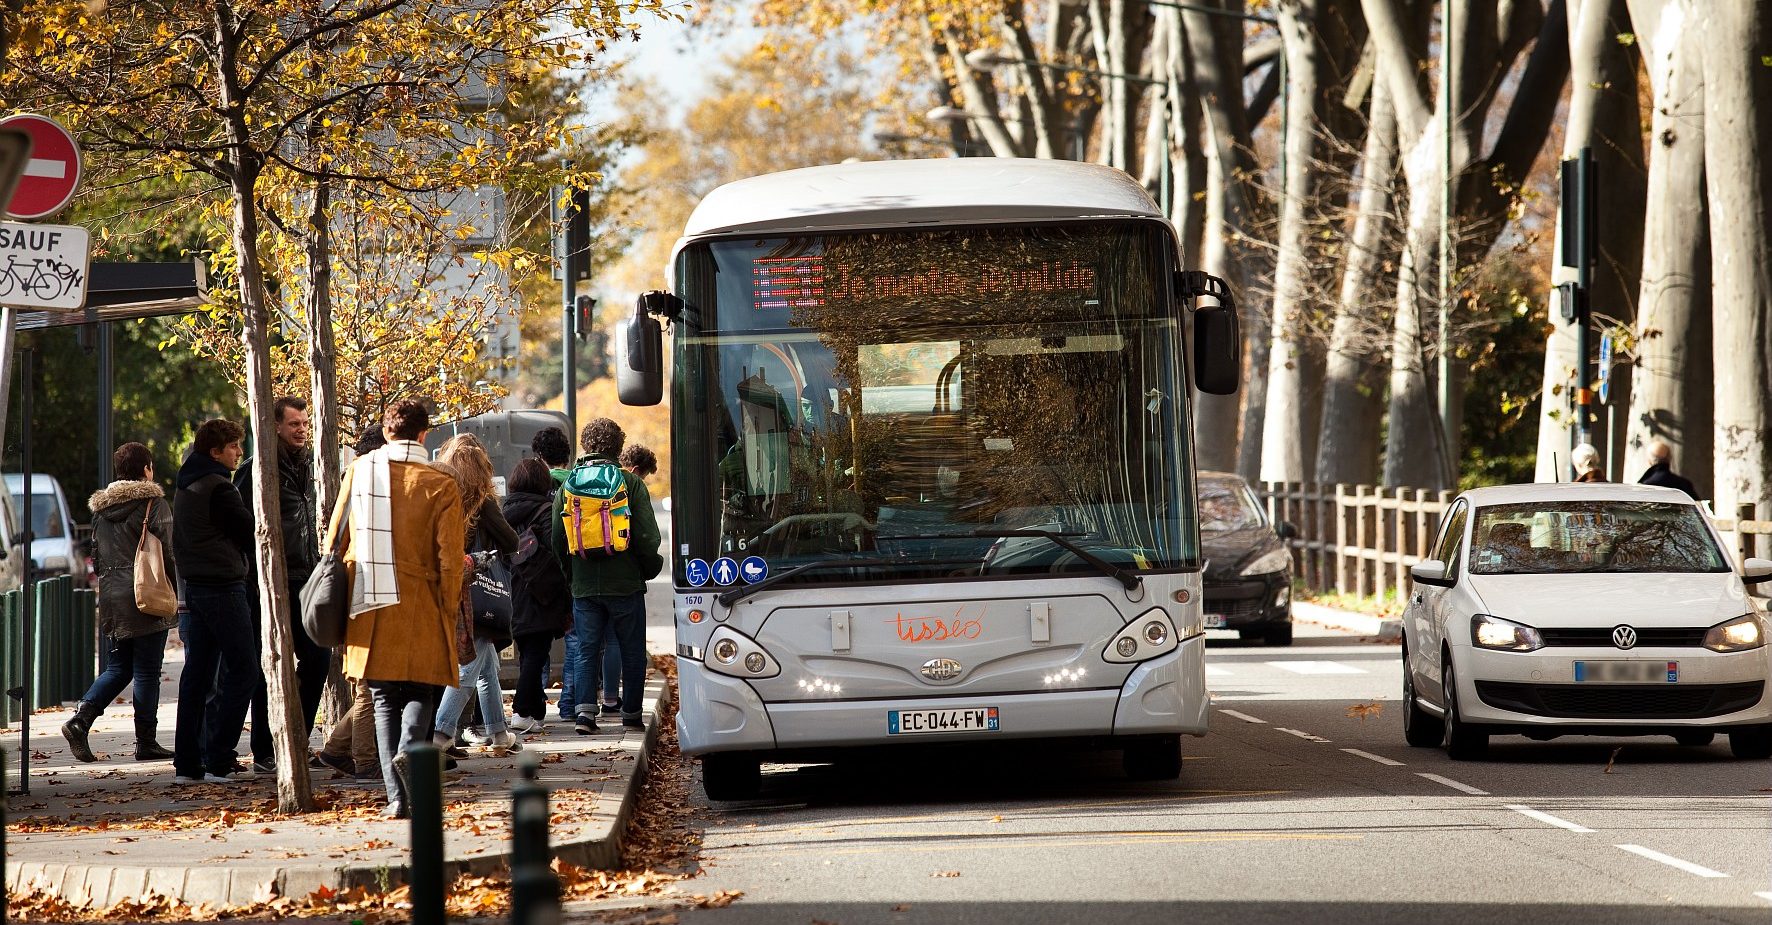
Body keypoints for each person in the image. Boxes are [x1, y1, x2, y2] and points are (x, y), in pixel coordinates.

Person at [325, 399, 465, 818]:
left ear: (386, 433)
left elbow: (334, 540)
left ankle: (396, 799)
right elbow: (450, 559)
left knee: (383, 698)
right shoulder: (441, 485)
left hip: (370, 603)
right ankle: (410, 750)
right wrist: (448, 607)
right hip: (422, 602)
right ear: (425, 435)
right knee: (422, 689)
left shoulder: (359, 472)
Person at [62, 443, 178, 763]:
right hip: (146, 593)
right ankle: (146, 742)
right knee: (146, 671)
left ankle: (80, 720)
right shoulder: (153, 504)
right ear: (145, 470)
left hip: (112, 595)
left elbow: (96, 558)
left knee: (120, 665)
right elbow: (168, 552)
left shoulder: (100, 511)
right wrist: (175, 590)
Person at [552, 418, 662, 734]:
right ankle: (630, 714)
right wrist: (646, 568)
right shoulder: (630, 483)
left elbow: (558, 540)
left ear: (585, 446)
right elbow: (647, 536)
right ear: (618, 447)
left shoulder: (568, 484)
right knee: (631, 649)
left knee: (587, 649)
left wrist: (571, 575)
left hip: (584, 585)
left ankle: (585, 714)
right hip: (625, 582)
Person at [236, 396, 329, 773]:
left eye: (305, 424)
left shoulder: (312, 465)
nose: (302, 430)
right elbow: (240, 526)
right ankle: (265, 751)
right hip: (269, 580)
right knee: (270, 664)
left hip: (306, 577)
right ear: (274, 426)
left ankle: (296, 741)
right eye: (294, 425)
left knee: (318, 658)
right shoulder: (256, 469)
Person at [171, 419, 259, 784]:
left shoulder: (188, 483)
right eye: (234, 446)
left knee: (198, 675)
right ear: (215, 451)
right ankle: (219, 756)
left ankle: (189, 763)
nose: (239, 452)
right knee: (245, 669)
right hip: (223, 586)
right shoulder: (218, 487)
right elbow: (251, 531)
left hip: (199, 586)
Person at [312, 420, 395, 780]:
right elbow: (339, 540)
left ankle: (335, 750)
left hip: (356, 586)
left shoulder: (359, 478)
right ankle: (365, 761)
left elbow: (334, 540)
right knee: (369, 682)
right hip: (364, 586)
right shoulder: (366, 480)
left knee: (368, 680)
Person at [430, 434, 520, 755]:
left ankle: (498, 733)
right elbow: (511, 542)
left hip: (444, 586)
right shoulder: (483, 503)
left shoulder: (439, 495)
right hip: (478, 595)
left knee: (487, 667)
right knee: (469, 666)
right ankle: (441, 733)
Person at [503, 458, 572, 734]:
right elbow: (558, 549)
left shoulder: (504, 510)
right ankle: (521, 710)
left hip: (510, 590)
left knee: (528, 652)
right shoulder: (546, 510)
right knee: (536, 652)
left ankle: (535, 711)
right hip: (541, 591)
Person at [531, 425, 579, 722]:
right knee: (574, 638)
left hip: (537, 576)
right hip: (571, 573)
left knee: (538, 643)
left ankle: (535, 707)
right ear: (567, 456)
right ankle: (570, 703)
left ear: (538, 456)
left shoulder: (531, 486)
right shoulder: (575, 485)